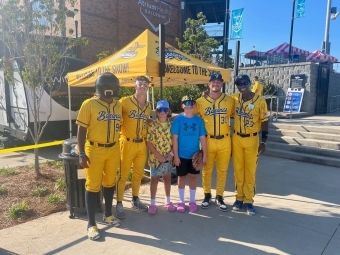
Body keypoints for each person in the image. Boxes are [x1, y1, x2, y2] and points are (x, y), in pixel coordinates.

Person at [76, 72, 122, 240]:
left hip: (114, 149)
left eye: (112, 87)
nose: (109, 90)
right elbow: (81, 130)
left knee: (110, 182)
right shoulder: (89, 104)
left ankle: (108, 215)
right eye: (106, 87)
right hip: (94, 149)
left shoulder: (118, 105)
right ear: (100, 88)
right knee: (93, 185)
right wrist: (81, 153)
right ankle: (91, 223)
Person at [195, 73, 234, 212]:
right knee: (207, 169)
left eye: (218, 81)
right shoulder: (200, 102)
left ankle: (220, 196)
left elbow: (238, 114)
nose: (216, 84)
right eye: (213, 81)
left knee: (222, 170)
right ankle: (207, 195)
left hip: (225, 140)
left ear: (222, 84)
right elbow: (192, 119)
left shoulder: (230, 100)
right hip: (208, 140)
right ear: (208, 84)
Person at [231, 74, 268, 216]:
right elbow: (221, 102)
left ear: (249, 83)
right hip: (237, 138)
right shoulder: (234, 98)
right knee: (238, 170)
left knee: (250, 171)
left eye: (245, 82)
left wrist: (264, 141)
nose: (242, 86)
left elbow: (264, 121)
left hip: (252, 139)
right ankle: (239, 198)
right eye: (239, 84)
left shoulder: (260, 100)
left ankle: (248, 200)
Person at [116, 76, 152, 218]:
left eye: (145, 84)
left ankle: (135, 199)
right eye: (140, 83)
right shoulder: (124, 101)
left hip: (141, 144)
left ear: (148, 87)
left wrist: (153, 123)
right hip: (127, 142)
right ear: (135, 86)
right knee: (123, 175)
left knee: (138, 174)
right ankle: (119, 203)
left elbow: (145, 119)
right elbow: (115, 115)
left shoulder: (148, 106)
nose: (143, 86)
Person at [171, 96, 207, 213]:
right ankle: (181, 201)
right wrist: (175, 156)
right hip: (181, 155)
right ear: (182, 105)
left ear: (194, 105)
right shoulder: (178, 120)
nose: (189, 105)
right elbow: (174, 139)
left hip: (194, 156)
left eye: (191, 103)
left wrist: (205, 154)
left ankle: (192, 201)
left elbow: (203, 139)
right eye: (186, 103)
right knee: (181, 178)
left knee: (192, 177)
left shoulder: (198, 120)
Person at [146, 100, 176, 215]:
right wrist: (158, 156)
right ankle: (152, 203)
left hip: (168, 158)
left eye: (165, 110)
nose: (162, 112)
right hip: (155, 158)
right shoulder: (152, 125)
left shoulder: (171, 125)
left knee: (167, 178)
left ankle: (168, 201)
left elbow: (174, 141)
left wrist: (171, 154)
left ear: (168, 111)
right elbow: (148, 142)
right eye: (160, 110)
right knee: (154, 180)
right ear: (157, 112)